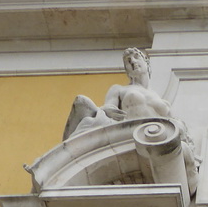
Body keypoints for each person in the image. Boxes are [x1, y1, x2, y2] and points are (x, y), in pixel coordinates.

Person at [62, 46, 198, 186]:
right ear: (127, 70)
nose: (132, 61)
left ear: (147, 63)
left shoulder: (162, 101)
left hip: (155, 141)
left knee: (186, 154)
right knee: (81, 102)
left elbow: (175, 127)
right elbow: (109, 109)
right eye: (128, 61)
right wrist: (107, 110)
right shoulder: (120, 89)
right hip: (131, 136)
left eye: (136, 57)